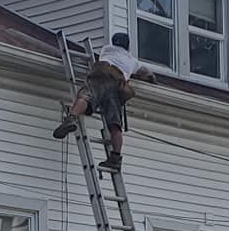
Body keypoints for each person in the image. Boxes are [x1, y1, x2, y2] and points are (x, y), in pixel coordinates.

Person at [52, 33, 157, 173]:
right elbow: (147, 74)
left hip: (103, 73)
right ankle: (116, 158)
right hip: (118, 85)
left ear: (114, 43)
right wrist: (152, 79)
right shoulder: (133, 62)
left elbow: (108, 61)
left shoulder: (107, 50)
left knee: (86, 95)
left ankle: (71, 118)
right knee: (115, 124)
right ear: (128, 45)